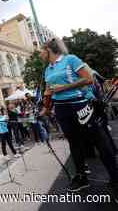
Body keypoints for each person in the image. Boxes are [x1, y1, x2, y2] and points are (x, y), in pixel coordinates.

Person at [39, 38, 118, 200]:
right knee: (74, 144)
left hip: (80, 106)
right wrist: (46, 108)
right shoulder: (47, 70)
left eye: (41, 51)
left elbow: (89, 79)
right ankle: (82, 177)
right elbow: (48, 91)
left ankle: (115, 179)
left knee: (100, 142)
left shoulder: (71, 59)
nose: (40, 54)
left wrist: (64, 87)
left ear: (49, 50)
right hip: (61, 109)